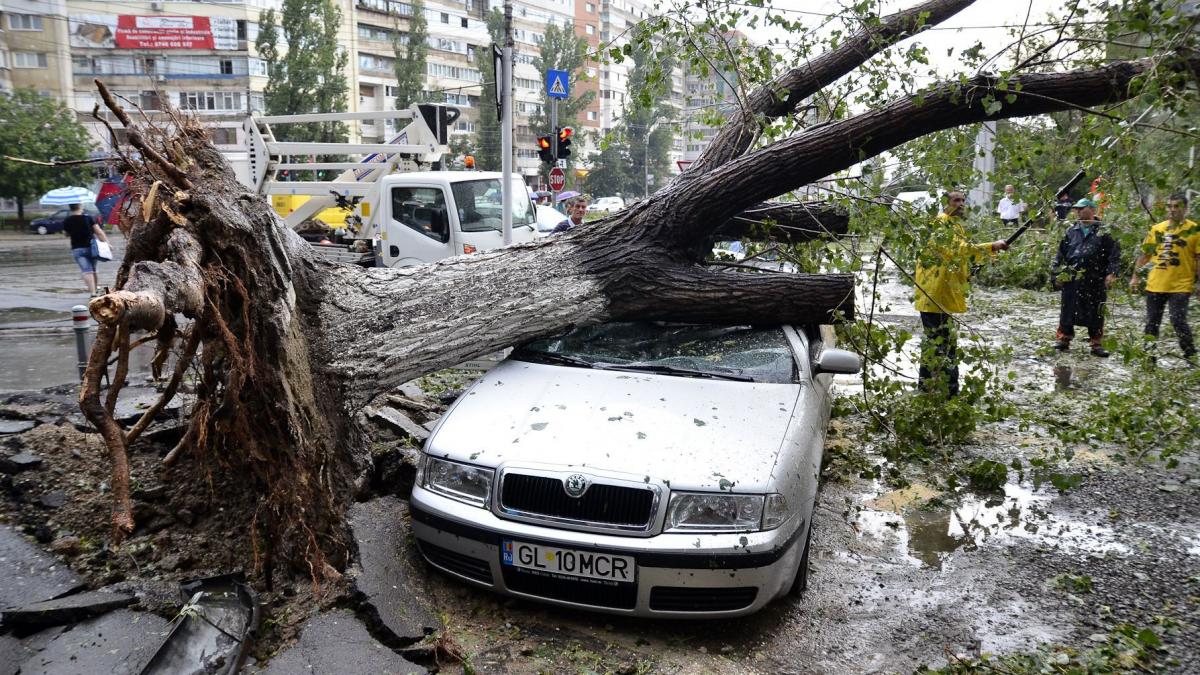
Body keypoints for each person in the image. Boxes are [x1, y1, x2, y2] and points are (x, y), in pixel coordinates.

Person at [914, 191, 1010, 396]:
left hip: (941, 293)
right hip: (934, 293)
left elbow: (956, 257)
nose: (961, 204)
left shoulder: (954, 224)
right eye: (956, 200)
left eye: (963, 200)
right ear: (945, 203)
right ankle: (949, 392)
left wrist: (969, 271)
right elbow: (960, 250)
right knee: (943, 344)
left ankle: (927, 388)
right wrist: (991, 246)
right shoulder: (941, 223)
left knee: (937, 341)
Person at [1129, 193, 1200, 361]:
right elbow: (1145, 256)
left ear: (1185, 209)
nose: (1173, 210)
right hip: (1155, 284)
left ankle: (1191, 357)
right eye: (1170, 206)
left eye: (1177, 206)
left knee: (1178, 321)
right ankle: (1149, 359)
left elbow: (1198, 259)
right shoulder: (1157, 229)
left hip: (1181, 285)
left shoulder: (1195, 230)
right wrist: (1135, 277)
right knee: (1152, 323)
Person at [1051, 198, 1120, 357]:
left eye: (1081, 209)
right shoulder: (1071, 231)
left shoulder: (1105, 231)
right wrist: (1056, 274)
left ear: (1091, 209)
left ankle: (1096, 343)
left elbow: (1114, 255)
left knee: (1096, 310)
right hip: (1072, 277)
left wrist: (1112, 273)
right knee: (1068, 308)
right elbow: (1060, 254)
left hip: (1095, 277)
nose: (1078, 212)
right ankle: (1064, 339)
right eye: (1077, 209)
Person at [62, 203, 109, 296]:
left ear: (71, 208)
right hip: (91, 248)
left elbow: (66, 234)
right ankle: (95, 289)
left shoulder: (67, 220)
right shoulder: (88, 218)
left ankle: (92, 292)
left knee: (86, 271)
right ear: (80, 207)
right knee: (94, 269)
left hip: (77, 249)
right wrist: (106, 243)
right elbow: (99, 232)